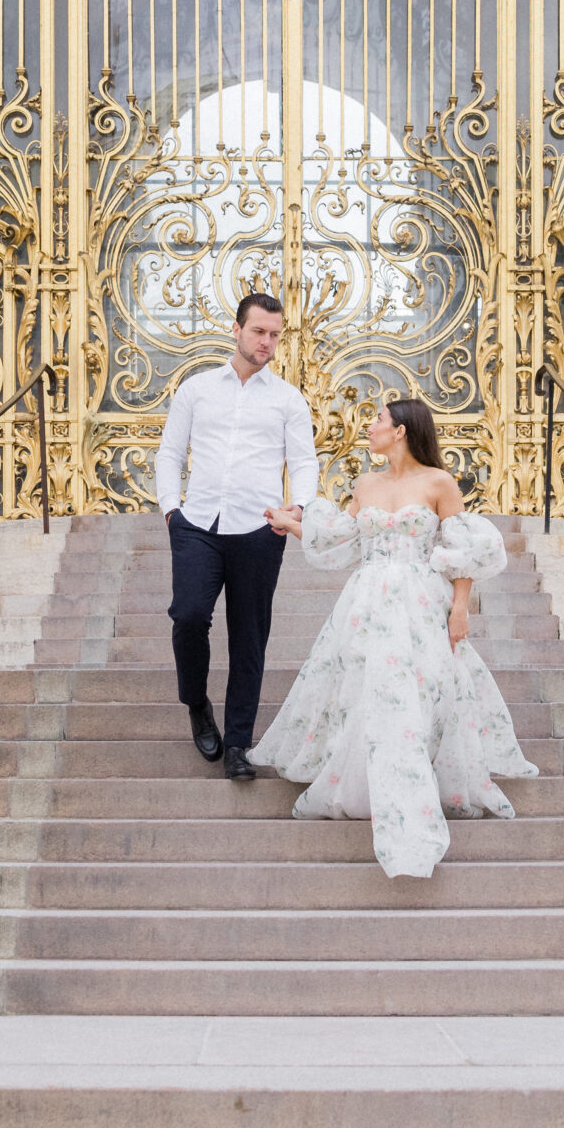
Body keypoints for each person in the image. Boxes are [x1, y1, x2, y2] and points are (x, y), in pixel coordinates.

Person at [251, 397, 537, 878]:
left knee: (416, 694)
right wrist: (291, 524)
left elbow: (461, 550)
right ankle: (362, 787)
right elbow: (344, 541)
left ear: (401, 430)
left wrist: (460, 608)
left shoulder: (438, 483)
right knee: (364, 693)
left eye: (378, 420)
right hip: (365, 603)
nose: (369, 426)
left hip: (420, 601)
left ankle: (415, 789)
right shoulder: (366, 483)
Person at [155, 293, 317, 781]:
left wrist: (298, 508)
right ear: (237, 329)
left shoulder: (288, 399)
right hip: (198, 525)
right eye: (258, 332)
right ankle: (197, 702)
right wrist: (170, 512)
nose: (266, 342)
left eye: (274, 335)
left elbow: (304, 461)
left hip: (259, 529)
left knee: (249, 639)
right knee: (188, 616)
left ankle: (239, 745)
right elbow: (169, 453)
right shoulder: (197, 389)